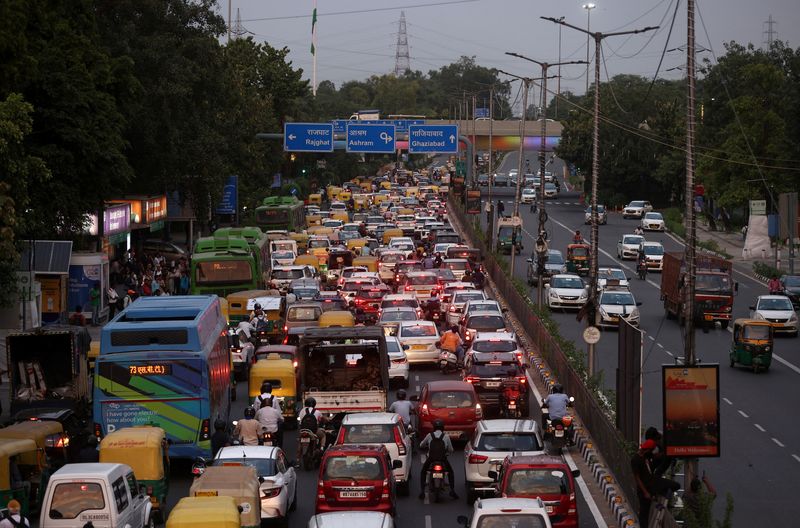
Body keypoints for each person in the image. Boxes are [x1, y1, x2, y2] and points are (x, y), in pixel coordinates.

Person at [418, 419, 458, 500]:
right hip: (443, 459)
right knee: (451, 472)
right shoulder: (445, 436)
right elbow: (451, 449)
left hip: (431, 459)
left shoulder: (430, 435)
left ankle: (422, 491)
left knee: (423, 472)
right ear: (442, 428)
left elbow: (421, 445)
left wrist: (425, 446)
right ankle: (453, 490)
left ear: (434, 427)